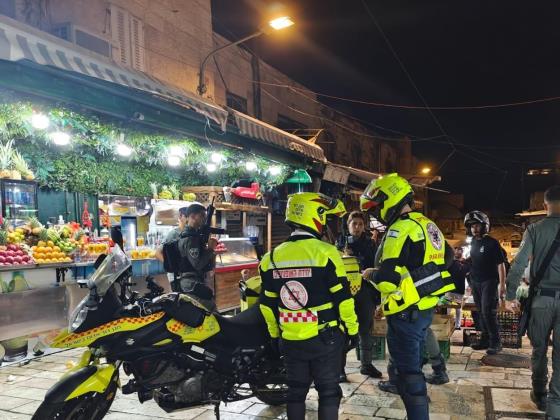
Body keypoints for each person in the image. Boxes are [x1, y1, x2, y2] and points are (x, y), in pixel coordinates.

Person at [360, 173, 454, 420]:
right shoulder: (427, 224)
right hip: (425, 307)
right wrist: (420, 279)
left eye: (378, 206)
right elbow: (448, 257)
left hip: (405, 312)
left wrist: (370, 274)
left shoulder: (399, 230)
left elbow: (387, 280)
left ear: (390, 199)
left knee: (408, 376)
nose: (377, 213)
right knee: (410, 367)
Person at [259, 192, 359, 420]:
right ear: (316, 216)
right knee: (328, 392)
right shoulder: (326, 253)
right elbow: (344, 299)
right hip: (325, 339)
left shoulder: (270, 258)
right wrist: (352, 330)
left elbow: (266, 305)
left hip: (290, 339)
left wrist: (275, 336)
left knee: (295, 393)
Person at [505, 185, 560, 418]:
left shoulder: (535, 230)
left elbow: (518, 265)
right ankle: (555, 409)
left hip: (541, 300)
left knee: (539, 349)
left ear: (545, 205)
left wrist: (509, 296)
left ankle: (539, 393)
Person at [336, 211, 383, 381]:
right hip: (345, 293)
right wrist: (343, 255)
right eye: (354, 223)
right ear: (348, 225)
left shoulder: (371, 244)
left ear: (364, 227)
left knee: (366, 329)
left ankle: (366, 365)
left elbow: (376, 267)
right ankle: (340, 369)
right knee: (343, 330)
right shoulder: (339, 243)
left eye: (360, 224)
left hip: (365, 291)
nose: (357, 227)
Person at [464, 211, 506, 355]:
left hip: (489, 281)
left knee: (488, 312)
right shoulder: (473, 242)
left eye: (477, 225)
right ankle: (485, 340)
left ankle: (496, 342)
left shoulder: (492, 243)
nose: (474, 229)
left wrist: (502, 286)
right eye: (472, 226)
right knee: (481, 312)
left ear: (484, 226)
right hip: (475, 281)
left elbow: (501, 265)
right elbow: (475, 258)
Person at [161, 203, 218, 310]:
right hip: (190, 283)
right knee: (210, 308)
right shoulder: (191, 239)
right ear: (192, 216)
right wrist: (210, 249)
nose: (204, 219)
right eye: (202, 215)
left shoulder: (192, 235)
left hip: (191, 282)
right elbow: (198, 264)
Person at [448, 246, 470, 329]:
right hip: (449, 289)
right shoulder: (450, 262)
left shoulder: (465, 264)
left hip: (459, 289)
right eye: (456, 251)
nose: (457, 252)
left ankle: (457, 325)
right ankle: (448, 324)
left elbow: (468, 273)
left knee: (458, 309)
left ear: (462, 252)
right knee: (448, 308)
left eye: (459, 251)